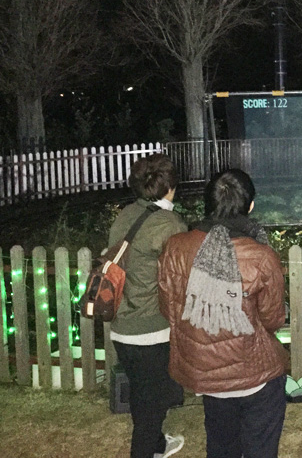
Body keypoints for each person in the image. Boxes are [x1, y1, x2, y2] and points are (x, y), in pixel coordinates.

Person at [158, 168, 288, 458]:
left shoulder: (176, 247)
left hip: (206, 373)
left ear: (208, 204)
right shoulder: (260, 256)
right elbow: (273, 319)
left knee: (220, 445)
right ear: (250, 206)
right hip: (255, 375)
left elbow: (169, 309)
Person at [109, 153, 188, 458]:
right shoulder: (168, 223)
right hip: (151, 329)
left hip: (121, 325)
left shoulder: (126, 214)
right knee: (153, 402)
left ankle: (157, 444)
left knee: (144, 395)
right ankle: (145, 450)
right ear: (171, 186)